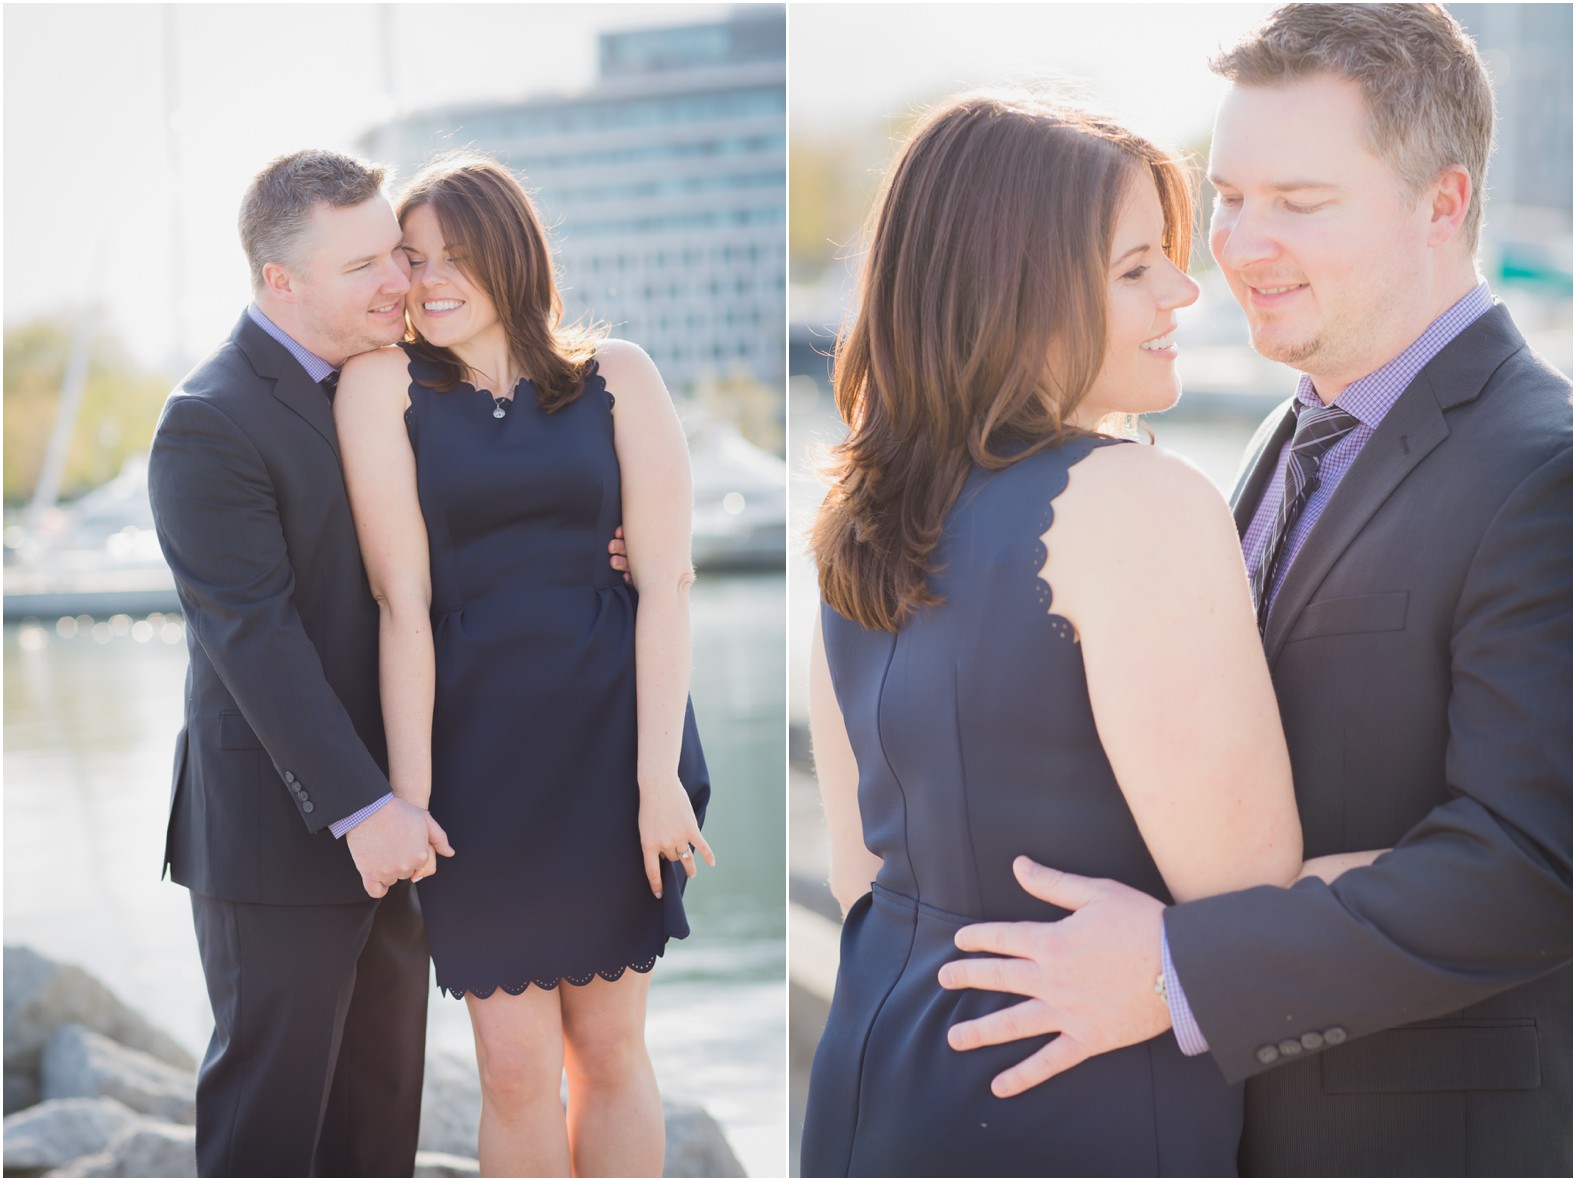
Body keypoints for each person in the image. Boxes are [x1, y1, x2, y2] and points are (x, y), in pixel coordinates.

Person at [939, 5, 1572, 1177]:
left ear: (1442, 202)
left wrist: (1179, 966)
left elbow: (1534, 866)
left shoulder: (1546, 466)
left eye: (1299, 202)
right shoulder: (1284, 434)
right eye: (1229, 196)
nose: (1235, 244)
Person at [797, 91, 1378, 1177]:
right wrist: (1484, 861)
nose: (1184, 290)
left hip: (882, 1073)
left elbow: (854, 871)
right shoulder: (1134, 500)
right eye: (1133, 269)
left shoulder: (854, 519)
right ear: (1014, 293)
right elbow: (1246, 888)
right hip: (1069, 1095)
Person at [332, 154, 712, 1177]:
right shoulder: (382, 388)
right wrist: (409, 797)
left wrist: (656, 778)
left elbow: (666, 583)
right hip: (476, 760)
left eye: (455, 255)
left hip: (617, 747)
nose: (430, 278)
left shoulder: (618, 374)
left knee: (611, 1047)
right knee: (510, 1066)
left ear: (513, 254)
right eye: (415, 259)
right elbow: (399, 606)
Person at [147, 150, 450, 1176]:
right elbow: (253, 635)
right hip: (283, 831)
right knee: (270, 1129)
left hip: (401, 813)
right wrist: (365, 809)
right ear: (282, 283)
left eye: (397, 255)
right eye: (366, 263)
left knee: (379, 1124)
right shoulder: (209, 420)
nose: (399, 282)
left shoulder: (403, 382)